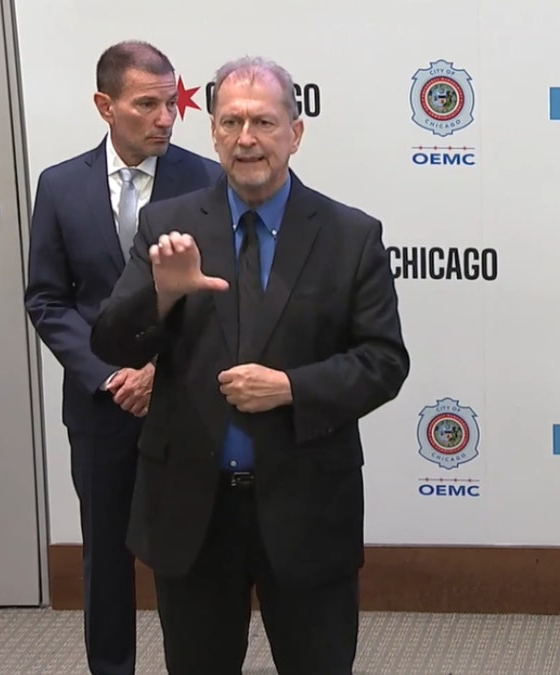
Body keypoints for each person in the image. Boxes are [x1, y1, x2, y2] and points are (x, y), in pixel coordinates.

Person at [89, 55, 409, 674]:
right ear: (210, 132)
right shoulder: (167, 226)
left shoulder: (350, 235)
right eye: (230, 122)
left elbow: (384, 360)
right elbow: (112, 343)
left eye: (264, 122)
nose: (246, 139)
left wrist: (292, 387)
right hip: (193, 515)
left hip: (308, 507)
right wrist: (163, 293)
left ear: (296, 132)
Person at [23, 40, 221, 675]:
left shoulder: (207, 179)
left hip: (182, 400)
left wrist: (157, 370)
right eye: (147, 105)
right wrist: (110, 375)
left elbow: (221, 298)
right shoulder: (59, 185)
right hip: (100, 406)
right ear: (105, 106)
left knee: (185, 555)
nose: (166, 118)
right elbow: (49, 301)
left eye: (171, 103)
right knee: (105, 558)